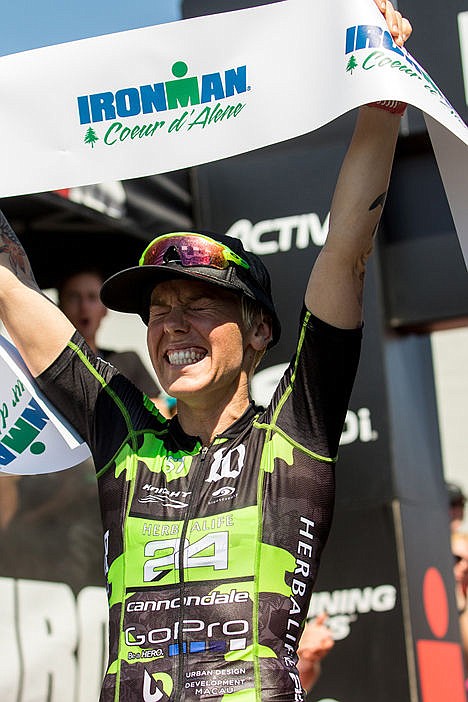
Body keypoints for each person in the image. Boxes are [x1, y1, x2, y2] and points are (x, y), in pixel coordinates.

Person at [0, 2, 412, 699]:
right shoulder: (123, 434)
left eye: (199, 308)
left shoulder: (295, 430)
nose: (172, 327)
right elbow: (10, 292)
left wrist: (382, 104)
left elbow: (346, 250)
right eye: (158, 313)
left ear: (258, 332)